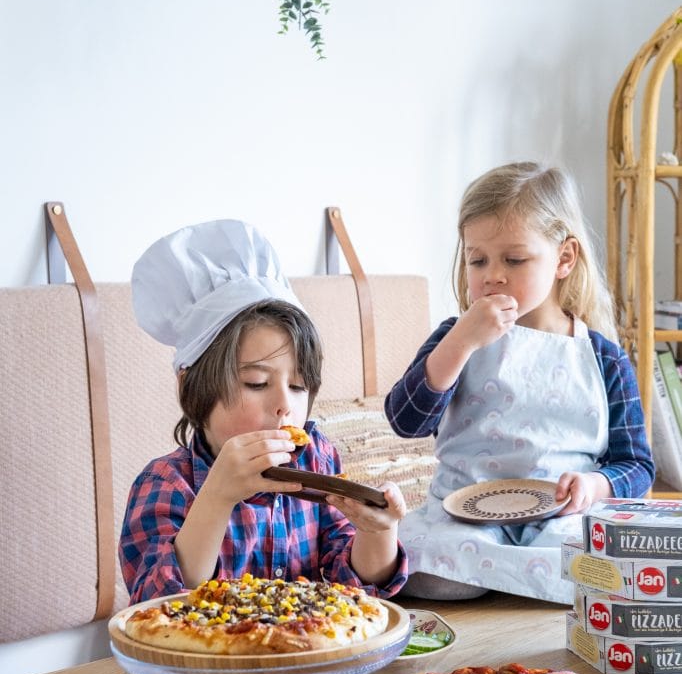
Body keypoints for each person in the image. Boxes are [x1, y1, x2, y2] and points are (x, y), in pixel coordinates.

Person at [385, 161, 655, 604]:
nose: (493, 274)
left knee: (597, 561)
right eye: (478, 259)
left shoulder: (602, 356)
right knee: (426, 571)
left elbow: (637, 465)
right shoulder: (456, 337)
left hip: (560, 517)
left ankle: (519, 578)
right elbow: (406, 420)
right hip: (463, 513)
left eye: (514, 259)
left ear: (564, 258)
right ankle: (521, 581)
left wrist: (594, 486)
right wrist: (460, 344)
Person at [119, 219, 408, 604]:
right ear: (190, 386)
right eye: (256, 382)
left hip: (306, 648)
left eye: (299, 386)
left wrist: (377, 531)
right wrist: (218, 495)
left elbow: (353, 584)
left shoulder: (316, 459)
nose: (285, 405)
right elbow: (156, 604)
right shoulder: (166, 483)